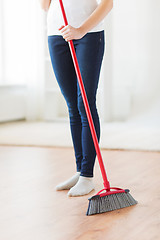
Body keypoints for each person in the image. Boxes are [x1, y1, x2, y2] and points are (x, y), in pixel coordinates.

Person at [39, 0, 113, 197]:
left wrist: (80, 30)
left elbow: (107, 4)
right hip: (57, 33)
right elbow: (44, 5)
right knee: (72, 105)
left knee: (85, 103)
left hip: (89, 35)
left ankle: (87, 176)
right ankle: (80, 170)